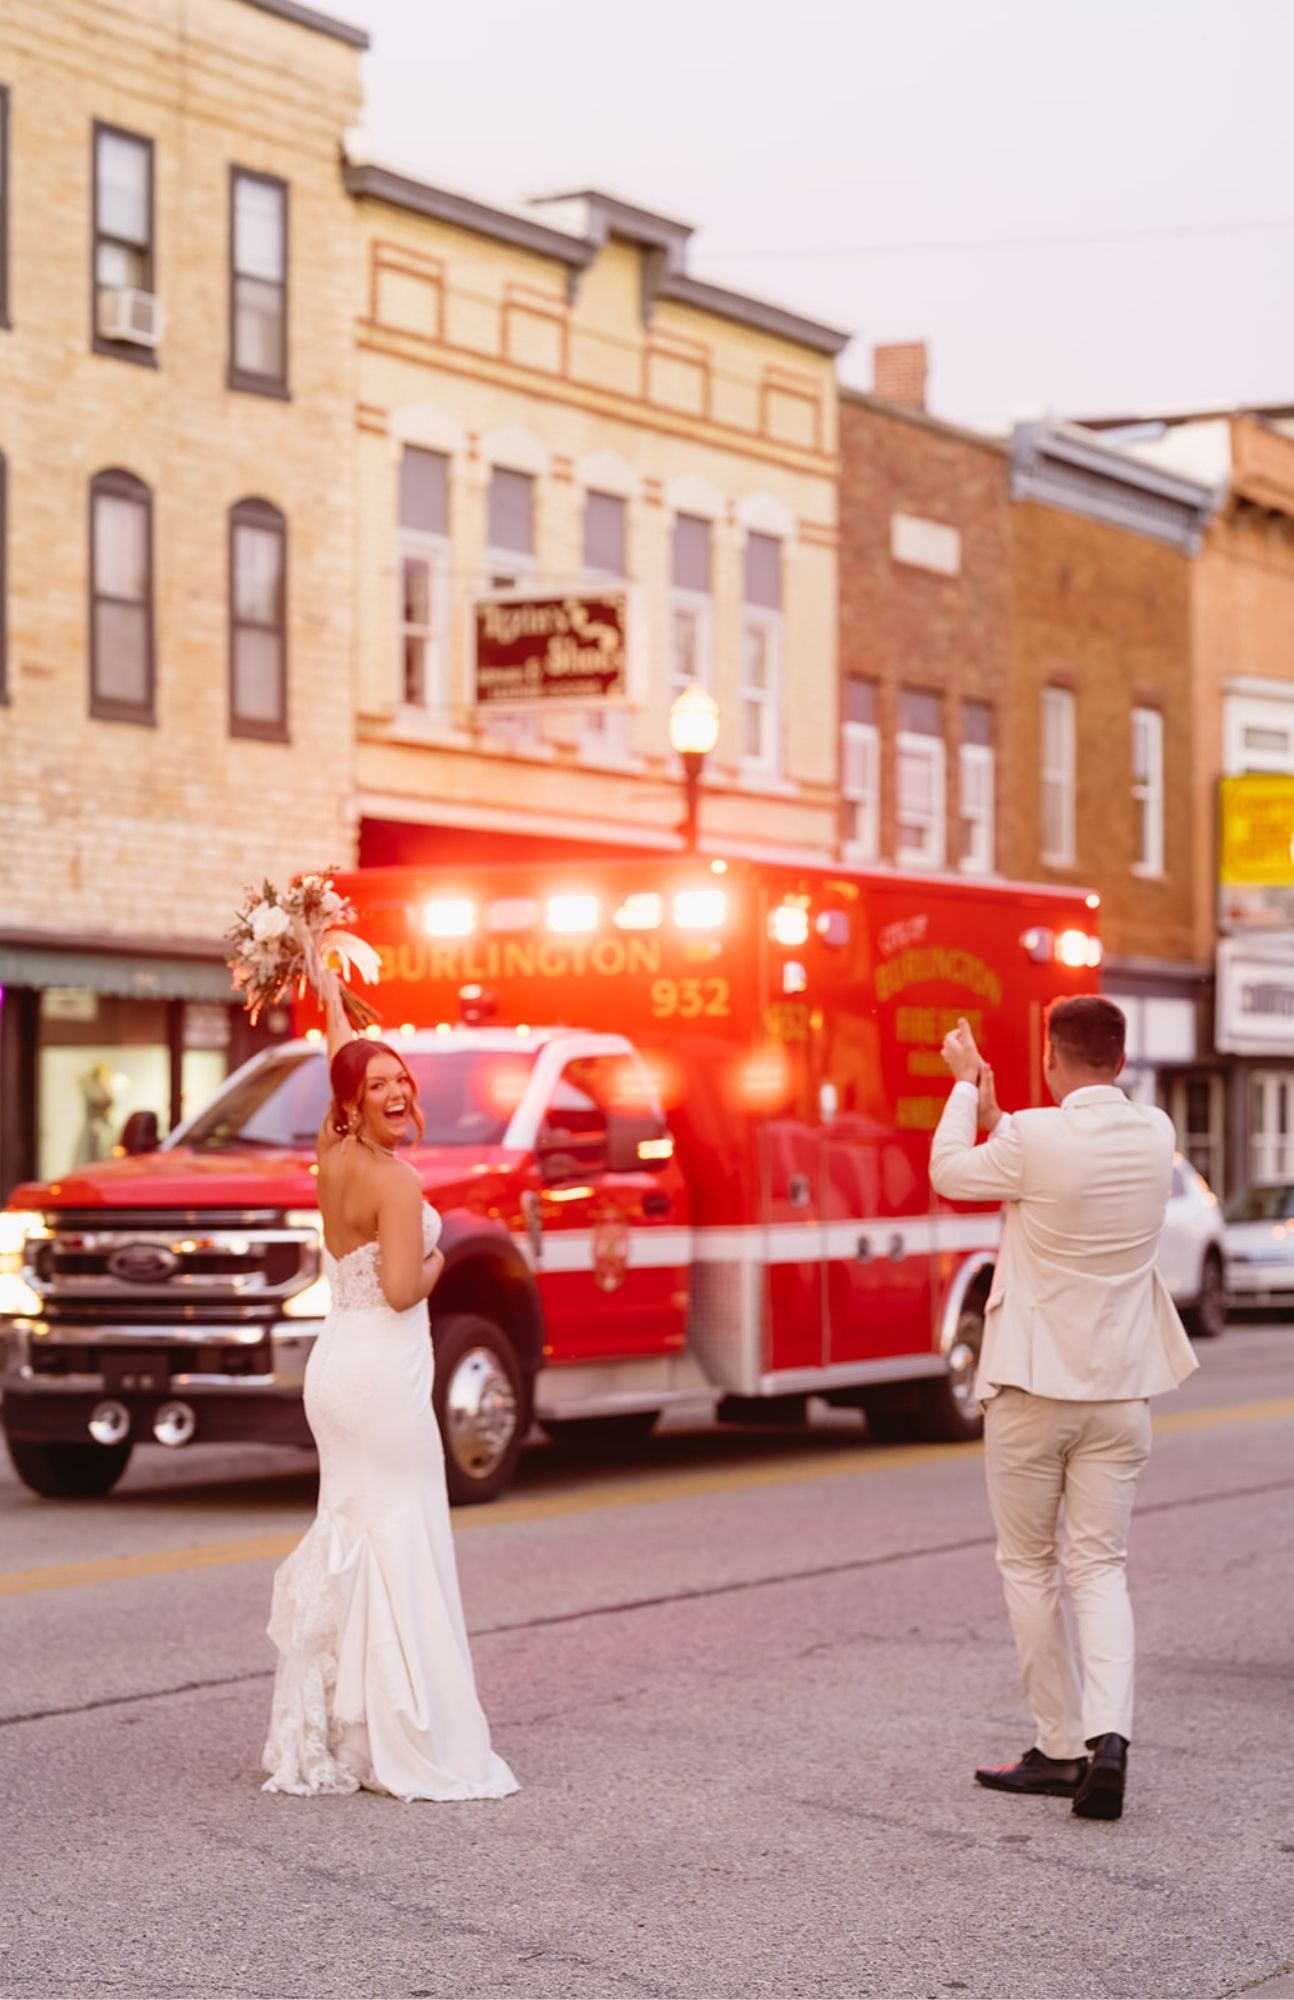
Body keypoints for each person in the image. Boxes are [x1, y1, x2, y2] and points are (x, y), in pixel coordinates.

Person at [929, 995, 1196, 1822]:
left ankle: (1056, 1746)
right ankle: (1109, 1738)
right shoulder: (1157, 1134)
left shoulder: (1033, 1139)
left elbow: (950, 1171)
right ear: (1119, 1060)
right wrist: (999, 1108)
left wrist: (964, 1087)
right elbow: (1038, 1157)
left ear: (1051, 1056)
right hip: (1121, 1391)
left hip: (1034, 1390)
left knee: (1028, 1566)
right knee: (1100, 1567)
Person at [262, 978, 518, 1802]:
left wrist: (326, 984)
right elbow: (408, 1289)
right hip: (383, 1372)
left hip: (337, 1367)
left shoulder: (331, 1158)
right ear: (353, 1102)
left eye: (401, 1079)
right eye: (380, 1085)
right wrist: (454, 1250)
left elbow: (341, 1052)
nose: (398, 1091)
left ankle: (341, 1728)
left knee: (355, 1527)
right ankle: (399, 1734)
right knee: (399, 1534)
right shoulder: (397, 1183)